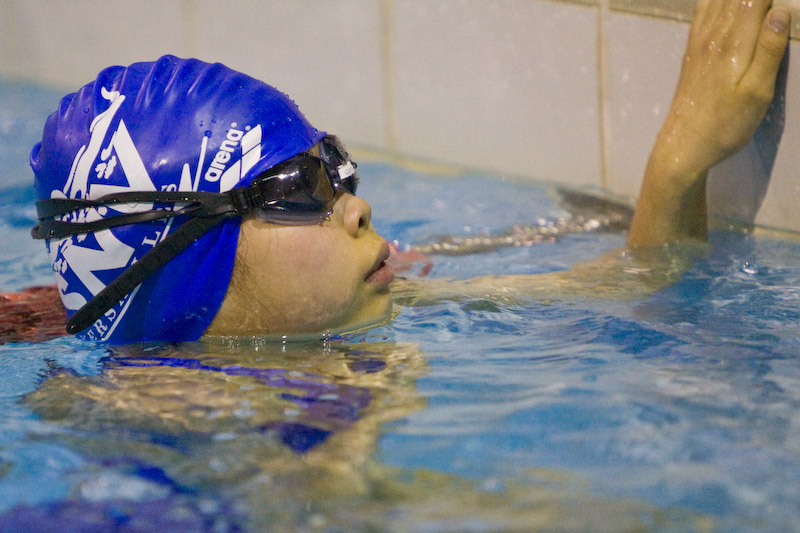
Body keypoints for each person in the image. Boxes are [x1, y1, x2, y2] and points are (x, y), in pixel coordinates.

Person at [27, 0, 790, 343]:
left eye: (334, 168)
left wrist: (679, 160)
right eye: (300, 189)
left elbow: (631, 284)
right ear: (188, 266)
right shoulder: (175, 441)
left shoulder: (327, 319)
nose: (355, 206)